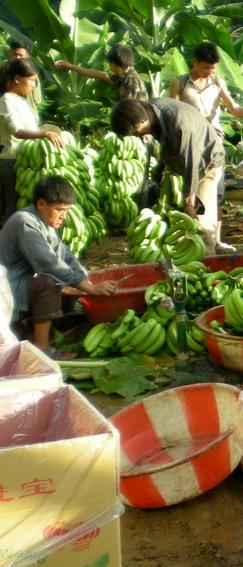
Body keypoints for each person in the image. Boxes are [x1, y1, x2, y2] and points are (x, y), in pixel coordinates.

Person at [0, 176, 117, 355]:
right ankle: (42, 350)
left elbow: (65, 255)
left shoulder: (45, 223)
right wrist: (91, 290)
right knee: (49, 284)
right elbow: (49, 264)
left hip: (16, 284)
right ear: (41, 204)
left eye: (67, 210)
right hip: (5, 288)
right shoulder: (25, 221)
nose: (63, 216)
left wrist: (85, 279)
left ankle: (32, 333)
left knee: (64, 287)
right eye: (59, 209)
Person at [170, 41, 243, 254]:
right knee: (191, 190)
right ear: (194, 62)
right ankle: (190, 240)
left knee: (216, 193)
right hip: (190, 143)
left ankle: (217, 240)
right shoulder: (180, 83)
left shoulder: (217, 82)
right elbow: (173, 114)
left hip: (214, 143)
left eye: (213, 68)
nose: (209, 71)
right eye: (206, 67)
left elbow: (234, 109)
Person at [110, 98, 224, 254]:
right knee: (176, 219)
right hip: (182, 166)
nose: (138, 136)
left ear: (143, 120)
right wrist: (159, 173)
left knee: (199, 222)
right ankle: (180, 259)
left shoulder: (179, 124)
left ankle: (206, 263)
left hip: (205, 165)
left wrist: (190, 201)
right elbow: (168, 147)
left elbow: (191, 162)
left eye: (136, 132)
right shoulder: (153, 111)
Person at [0, 59, 65, 223]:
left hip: (27, 159)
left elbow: (31, 128)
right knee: (14, 205)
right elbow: (18, 131)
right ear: (17, 79)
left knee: (27, 204)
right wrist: (44, 134)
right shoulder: (6, 101)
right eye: (31, 81)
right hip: (12, 159)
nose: (34, 86)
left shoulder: (21, 101)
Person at [55, 44, 148, 101]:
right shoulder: (123, 76)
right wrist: (71, 66)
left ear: (114, 63)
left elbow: (131, 108)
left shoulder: (131, 82)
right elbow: (99, 74)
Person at [0, 41, 42, 111]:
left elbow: (37, 98)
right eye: (15, 54)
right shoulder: (3, 69)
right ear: (10, 54)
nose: (17, 57)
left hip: (29, 109)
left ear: (26, 56)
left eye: (21, 55)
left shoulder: (31, 71)